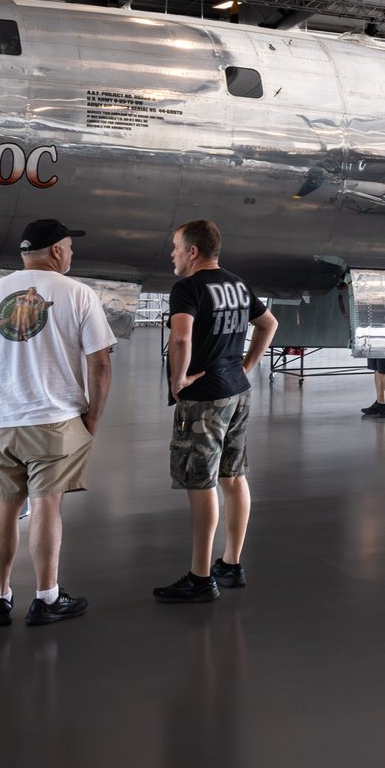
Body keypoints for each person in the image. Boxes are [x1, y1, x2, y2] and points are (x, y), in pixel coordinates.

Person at [0, 219, 114, 628]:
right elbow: (100, 365)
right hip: (56, 419)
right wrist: (93, 418)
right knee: (47, 505)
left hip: (0, 420)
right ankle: (46, 598)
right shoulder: (79, 294)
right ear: (56, 251)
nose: (70, 254)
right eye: (68, 247)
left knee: (5, 507)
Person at [157, 219, 277, 604]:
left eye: (176, 247)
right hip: (237, 392)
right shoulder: (236, 284)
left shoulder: (188, 287)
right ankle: (231, 563)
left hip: (205, 397)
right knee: (233, 475)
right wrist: (246, 367)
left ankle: (200, 577)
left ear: (193, 251)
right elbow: (268, 323)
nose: (172, 253)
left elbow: (181, 336)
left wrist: (177, 381)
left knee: (201, 482)